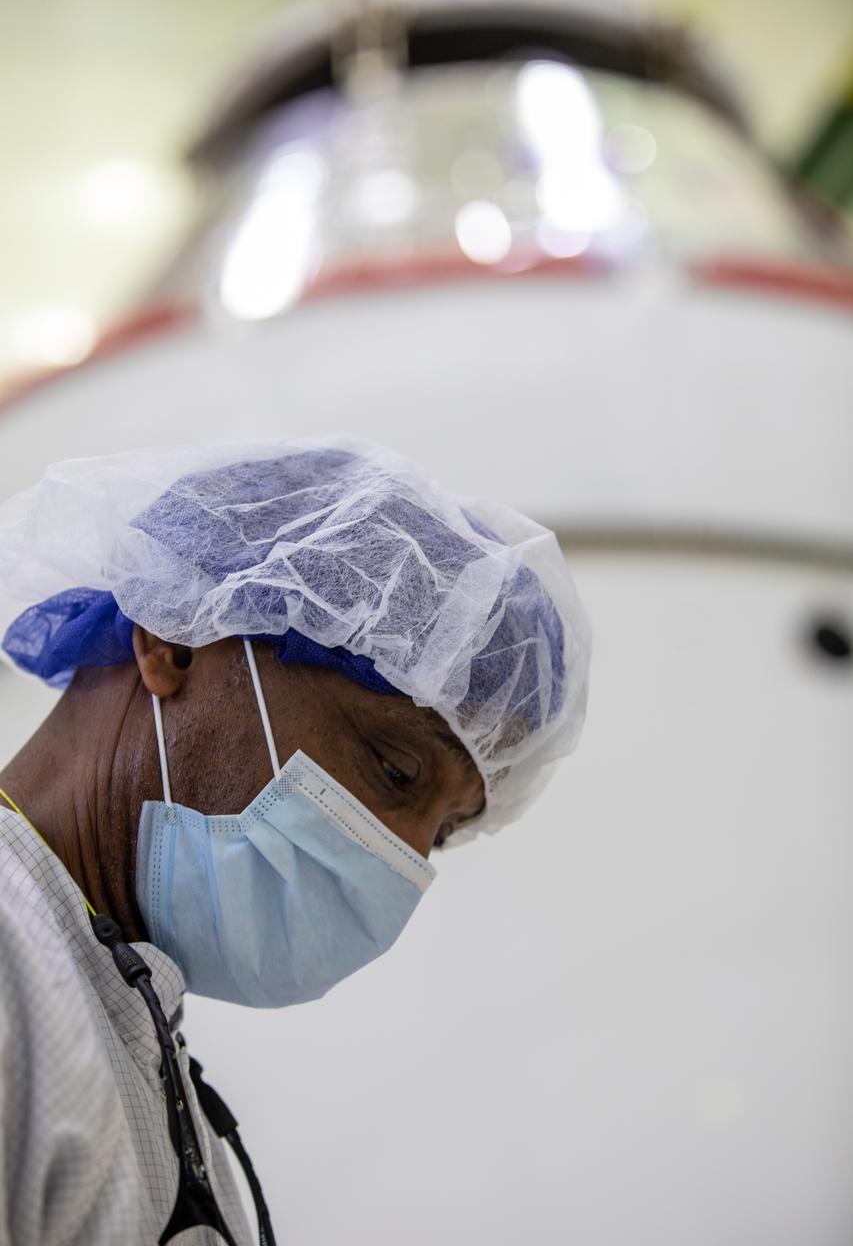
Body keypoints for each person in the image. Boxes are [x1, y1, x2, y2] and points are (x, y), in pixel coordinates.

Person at [0, 438, 590, 1245]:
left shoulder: (119, 1019)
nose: (398, 863)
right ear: (173, 641)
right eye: (392, 770)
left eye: (443, 834)